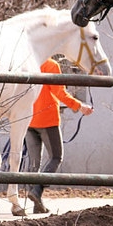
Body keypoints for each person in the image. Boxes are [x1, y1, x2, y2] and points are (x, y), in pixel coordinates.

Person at [25, 58, 94, 213]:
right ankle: (36, 191)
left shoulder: (28, 61)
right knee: (56, 157)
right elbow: (60, 93)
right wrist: (80, 106)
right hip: (47, 119)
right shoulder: (51, 65)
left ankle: (37, 204)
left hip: (28, 119)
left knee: (33, 163)